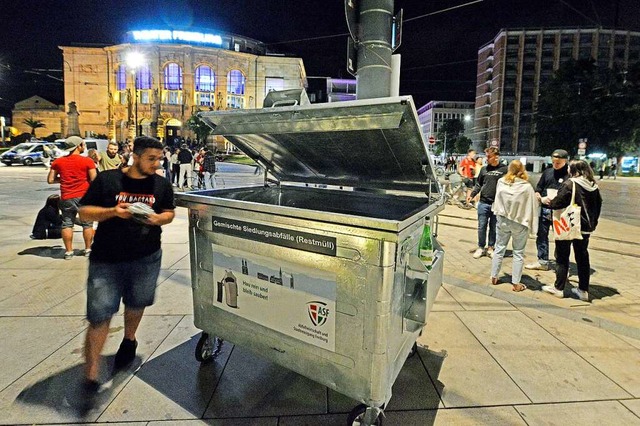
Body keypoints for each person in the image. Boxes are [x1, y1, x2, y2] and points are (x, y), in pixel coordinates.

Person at [78, 136, 175, 402]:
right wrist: (113, 212)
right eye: (151, 159)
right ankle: (91, 374)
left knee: (136, 304)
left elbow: (169, 212)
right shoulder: (108, 180)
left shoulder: (161, 184)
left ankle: (129, 339)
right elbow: (83, 213)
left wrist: (158, 218)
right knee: (99, 316)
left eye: (159, 158)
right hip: (106, 260)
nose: (157, 164)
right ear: (136, 156)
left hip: (145, 257)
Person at [541, 160, 602, 301]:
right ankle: (583, 290)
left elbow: (557, 203)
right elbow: (598, 205)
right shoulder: (593, 185)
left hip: (569, 225)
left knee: (562, 257)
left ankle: (558, 288)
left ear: (573, 170)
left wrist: (546, 201)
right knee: (582, 257)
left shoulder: (570, 183)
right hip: (586, 228)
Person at [490, 160, 539, 292]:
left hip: (503, 220)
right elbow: (532, 205)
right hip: (519, 222)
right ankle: (516, 283)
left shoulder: (501, 182)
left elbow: (497, 200)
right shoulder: (526, 186)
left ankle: (494, 277)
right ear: (522, 170)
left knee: (499, 248)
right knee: (518, 253)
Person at [47, 136, 97, 260]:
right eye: (83, 144)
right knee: (87, 224)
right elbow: (94, 179)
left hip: (66, 196)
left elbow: (50, 180)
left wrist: (63, 179)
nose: (84, 146)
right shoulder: (87, 161)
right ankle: (88, 249)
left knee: (67, 224)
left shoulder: (58, 162)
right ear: (78, 146)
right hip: (84, 196)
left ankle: (68, 252)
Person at [525, 149, 570, 271]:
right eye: (554, 162)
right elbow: (539, 187)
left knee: (560, 238)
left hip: (561, 211)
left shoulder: (569, 175)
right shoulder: (548, 172)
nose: (555, 165)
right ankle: (543, 261)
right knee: (542, 235)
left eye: (558, 163)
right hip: (545, 209)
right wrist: (538, 195)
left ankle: (560, 262)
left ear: (565, 161)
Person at [467, 147, 508, 259]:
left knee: (494, 227)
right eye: (486, 156)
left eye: (489, 157)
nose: (487, 159)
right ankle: (481, 247)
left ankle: (491, 247)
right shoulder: (484, 169)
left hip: (497, 204)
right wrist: (472, 195)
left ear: (496, 157)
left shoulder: (504, 170)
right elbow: (479, 184)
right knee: (482, 226)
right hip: (483, 202)